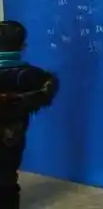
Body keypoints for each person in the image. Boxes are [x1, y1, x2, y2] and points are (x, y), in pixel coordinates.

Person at [0, 21, 59, 209]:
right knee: (7, 181)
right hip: (12, 140)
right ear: (23, 46)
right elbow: (46, 91)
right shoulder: (33, 76)